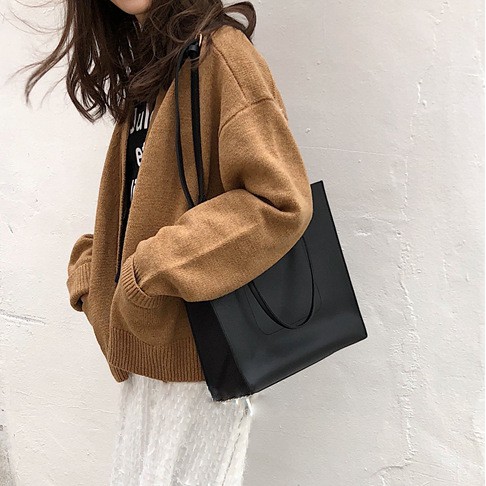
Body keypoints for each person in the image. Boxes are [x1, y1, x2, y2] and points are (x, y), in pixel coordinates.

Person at [24, 0, 313, 484]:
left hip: (202, 369)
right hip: (147, 364)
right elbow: (143, 204)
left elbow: (280, 200)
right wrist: (95, 279)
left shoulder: (221, 55)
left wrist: (149, 271)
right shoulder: (156, 69)